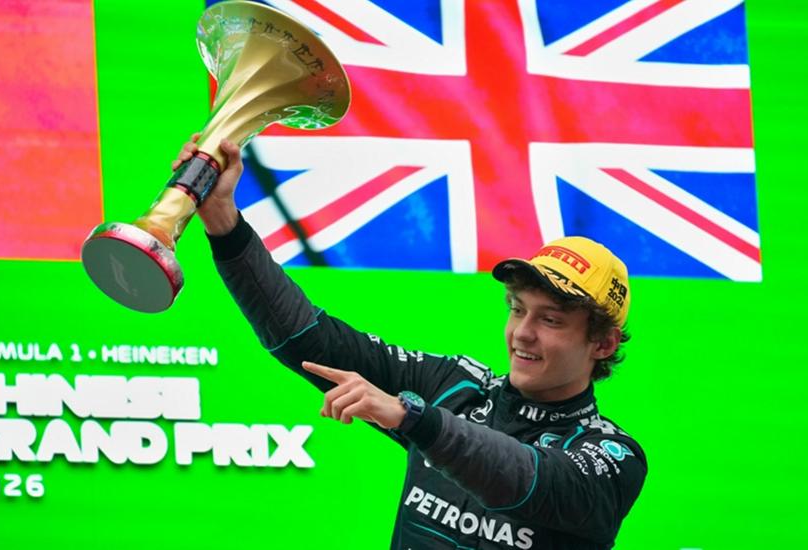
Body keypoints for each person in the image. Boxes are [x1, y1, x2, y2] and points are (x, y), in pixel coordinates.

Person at [174, 137, 647, 549]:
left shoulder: (613, 456)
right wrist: (224, 221)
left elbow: (526, 479)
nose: (522, 332)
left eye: (551, 320)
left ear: (603, 344)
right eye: (518, 309)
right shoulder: (455, 387)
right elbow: (305, 337)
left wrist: (413, 418)